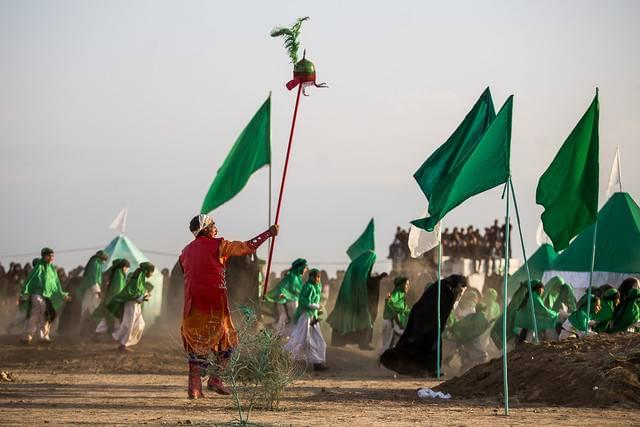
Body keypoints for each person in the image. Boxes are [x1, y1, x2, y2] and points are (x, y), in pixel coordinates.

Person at [179, 214, 277, 399]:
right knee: (229, 340)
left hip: (191, 306)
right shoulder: (220, 245)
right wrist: (268, 234)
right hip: (215, 303)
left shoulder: (184, 252)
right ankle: (215, 378)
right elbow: (248, 247)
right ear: (206, 229)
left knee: (196, 343)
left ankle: (194, 387)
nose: (216, 228)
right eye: (213, 225)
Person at [19, 248, 71, 344]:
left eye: (53, 255)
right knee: (38, 312)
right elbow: (29, 280)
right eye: (49, 255)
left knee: (44, 314)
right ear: (44, 256)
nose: (52, 257)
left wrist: (62, 294)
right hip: (36, 294)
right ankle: (27, 336)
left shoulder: (52, 269)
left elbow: (55, 284)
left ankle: (42, 337)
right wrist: (24, 293)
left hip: (46, 296)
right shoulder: (39, 267)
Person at [327, 250, 377, 349]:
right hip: (355, 299)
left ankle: (342, 341)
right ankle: (363, 343)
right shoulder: (361, 269)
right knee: (364, 319)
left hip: (350, 299)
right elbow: (362, 283)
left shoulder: (357, 265)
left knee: (354, 319)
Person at [285, 269, 328, 371]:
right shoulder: (307, 287)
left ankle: (318, 362)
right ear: (311, 277)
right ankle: (285, 358)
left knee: (319, 341)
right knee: (301, 339)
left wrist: (316, 312)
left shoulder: (318, 286)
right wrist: (316, 307)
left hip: (313, 317)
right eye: (315, 277)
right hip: (305, 316)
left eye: (318, 277)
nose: (317, 279)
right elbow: (303, 302)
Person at [107, 262, 155, 352]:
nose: (152, 274)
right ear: (147, 271)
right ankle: (122, 344)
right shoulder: (136, 278)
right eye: (152, 272)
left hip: (136, 305)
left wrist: (145, 295)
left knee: (140, 324)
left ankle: (121, 340)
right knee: (129, 324)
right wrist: (142, 297)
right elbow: (131, 293)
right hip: (131, 305)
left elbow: (139, 291)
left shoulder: (141, 279)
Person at [265, 258, 307, 336]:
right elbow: (282, 287)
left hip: (294, 301)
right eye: (304, 268)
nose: (305, 270)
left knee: (290, 320)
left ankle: (279, 334)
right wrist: (283, 294)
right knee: (287, 318)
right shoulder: (292, 276)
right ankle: (275, 333)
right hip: (288, 302)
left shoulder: (298, 277)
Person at [75, 250, 109, 332]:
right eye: (104, 259)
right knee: (96, 311)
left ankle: (80, 330)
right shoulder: (95, 264)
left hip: (90, 292)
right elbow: (93, 279)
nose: (104, 262)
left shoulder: (95, 263)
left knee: (85, 311)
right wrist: (98, 291)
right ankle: (99, 331)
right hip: (93, 292)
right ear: (101, 258)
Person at [94, 258, 130, 334]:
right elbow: (118, 289)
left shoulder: (116, 272)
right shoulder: (119, 274)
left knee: (109, 318)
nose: (127, 270)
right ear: (124, 267)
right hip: (114, 300)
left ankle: (102, 333)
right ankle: (104, 333)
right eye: (127, 268)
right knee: (112, 318)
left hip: (110, 299)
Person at [381, 276, 411, 351]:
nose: (408, 287)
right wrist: (402, 310)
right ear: (401, 285)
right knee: (387, 347)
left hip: (392, 323)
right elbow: (390, 302)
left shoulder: (400, 296)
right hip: (390, 323)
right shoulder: (394, 294)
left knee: (391, 346)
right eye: (406, 284)